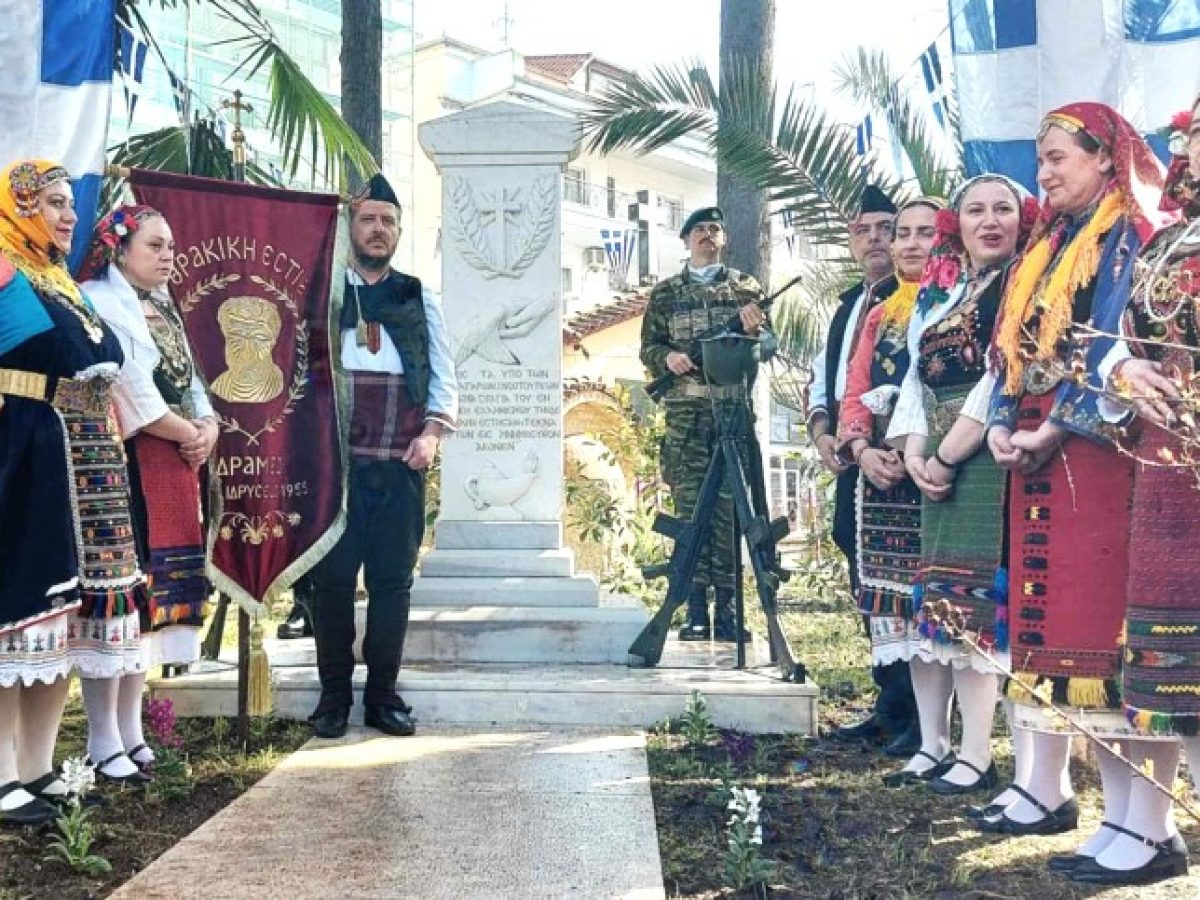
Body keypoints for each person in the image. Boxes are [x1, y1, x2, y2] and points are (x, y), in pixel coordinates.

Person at [979, 102, 1169, 840]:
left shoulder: (1132, 236)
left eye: (1058, 158)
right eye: (1041, 160)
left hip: (1103, 457)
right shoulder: (1050, 244)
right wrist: (1003, 422)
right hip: (1039, 458)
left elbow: (1113, 344)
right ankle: (1107, 817)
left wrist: (1055, 425)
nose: (1045, 174)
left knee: (1107, 641)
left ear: (1104, 158)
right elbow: (1012, 349)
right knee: (1055, 633)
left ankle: (1144, 826)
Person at [1061, 97, 1200, 888]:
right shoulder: (1170, 239)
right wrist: (1126, 371)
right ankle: (1149, 828)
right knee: (1174, 664)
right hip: (1169, 471)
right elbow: (1116, 339)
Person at [0, 160, 148, 822]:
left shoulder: (60, 280)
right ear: (19, 204)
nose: (69, 215)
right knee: (23, 610)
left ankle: (37, 767)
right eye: (54, 202)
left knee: (66, 620)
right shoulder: (4, 268)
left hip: (88, 461)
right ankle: (2, 772)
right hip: (29, 452)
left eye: (70, 203)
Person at [882, 175, 1036, 795]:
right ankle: (950, 747)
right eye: (976, 210)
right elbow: (918, 378)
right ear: (958, 223)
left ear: (1023, 220)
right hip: (939, 461)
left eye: (1003, 209)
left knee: (981, 610)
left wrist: (947, 455)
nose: (989, 221)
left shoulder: (1019, 283)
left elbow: (998, 377)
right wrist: (916, 453)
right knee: (943, 610)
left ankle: (986, 757)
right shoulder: (945, 290)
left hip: (985, 457)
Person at [307, 173, 457, 739]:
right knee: (332, 583)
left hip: (400, 462)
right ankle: (333, 698)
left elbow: (443, 373)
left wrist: (432, 435)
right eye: (368, 219)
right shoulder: (324, 292)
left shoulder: (418, 295)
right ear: (352, 226)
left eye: (387, 221)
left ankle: (382, 696)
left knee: (393, 583)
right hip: (336, 465)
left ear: (397, 231)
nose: (378, 229)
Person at [81, 205, 218, 775]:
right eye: (155, 246)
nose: (167, 257)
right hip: (126, 460)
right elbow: (129, 385)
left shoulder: (162, 306)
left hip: (173, 458)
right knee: (121, 594)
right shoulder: (99, 300)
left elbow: (192, 380)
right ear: (119, 248)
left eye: (171, 247)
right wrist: (188, 432)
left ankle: (132, 731)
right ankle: (101, 738)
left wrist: (207, 426)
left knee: (153, 599)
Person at [812, 185, 917, 755]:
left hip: (903, 460)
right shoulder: (850, 305)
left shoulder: (920, 296)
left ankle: (919, 715)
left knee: (904, 583)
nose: (875, 239)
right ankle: (889, 702)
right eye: (863, 230)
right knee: (866, 577)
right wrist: (824, 433)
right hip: (855, 459)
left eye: (886, 228)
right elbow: (825, 379)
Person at [835, 197, 942, 758]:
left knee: (937, 603)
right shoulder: (880, 314)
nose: (910, 243)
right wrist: (860, 448)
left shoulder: (959, 303)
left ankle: (940, 731)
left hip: (942, 471)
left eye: (926, 233)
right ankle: (904, 717)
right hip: (880, 475)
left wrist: (922, 450)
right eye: (904, 233)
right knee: (892, 604)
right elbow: (855, 391)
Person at [640, 206, 772, 643]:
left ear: (724, 239)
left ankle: (729, 612)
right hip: (686, 420)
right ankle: (694, 609)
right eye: (699, 229)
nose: (707, 235)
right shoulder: (665, 294)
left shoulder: (746, 289)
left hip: (730, 415)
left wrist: (755, 333)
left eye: (715, 228)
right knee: (690, 513)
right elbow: (648, 348)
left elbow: (767, 347)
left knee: (730, 514)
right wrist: (668, 358)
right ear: (685, 239)